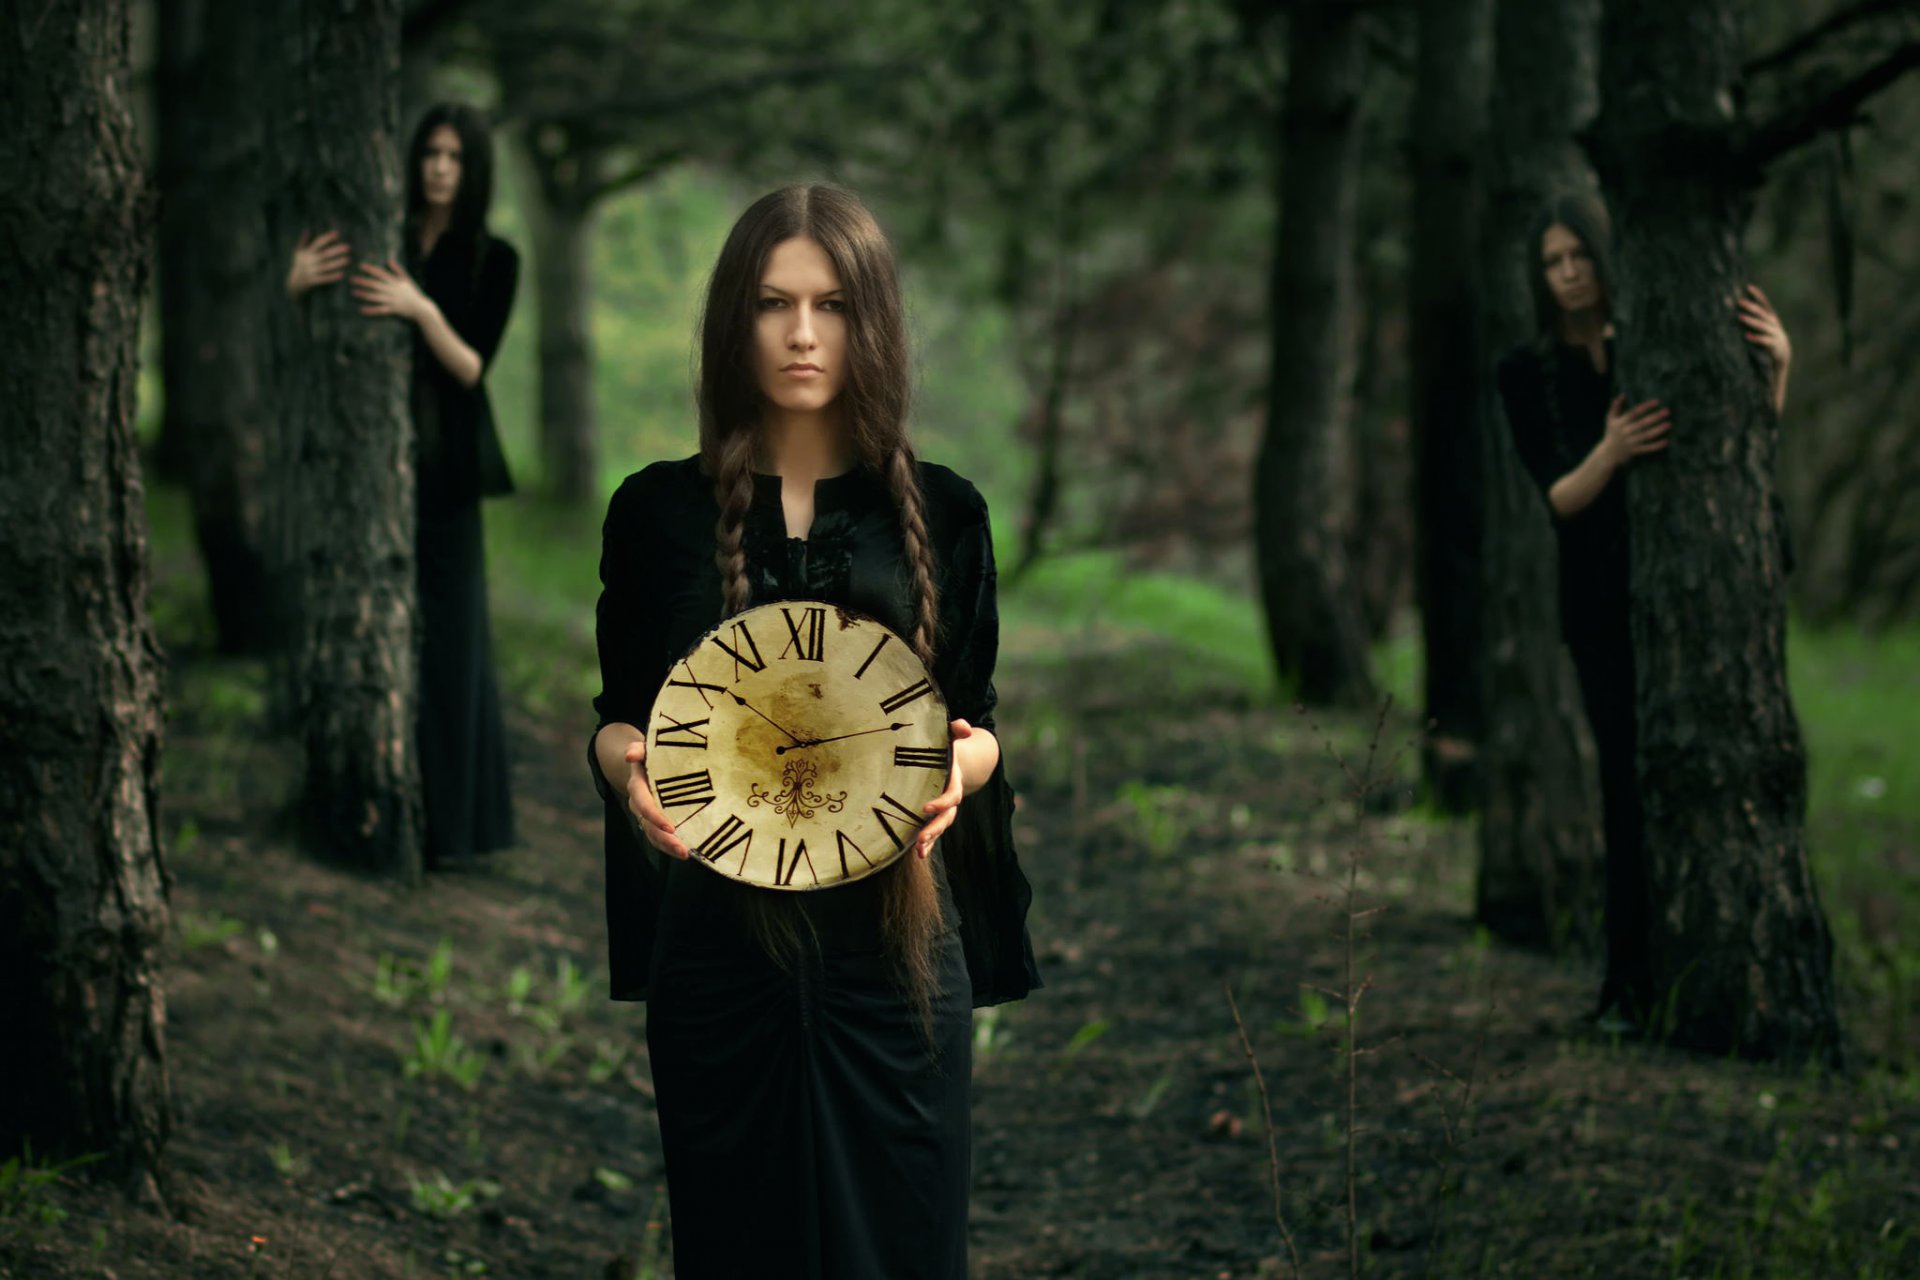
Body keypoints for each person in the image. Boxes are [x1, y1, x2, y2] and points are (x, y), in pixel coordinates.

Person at [586, 184, 1040, 1278]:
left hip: (895, 953)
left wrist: (958, 772)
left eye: (831, 304)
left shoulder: (948, 510)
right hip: (718, 953)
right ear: (731, 322)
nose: (800, 333)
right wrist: (628, 775)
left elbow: (980, 725)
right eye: (772, 303)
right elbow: (618, 719)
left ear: (870, 319)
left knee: (902, 1248)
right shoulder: (654, 512)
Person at [1495, 192, 1792, 1032]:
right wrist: (1614, 451)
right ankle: (1625, 988)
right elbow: (1557, 495)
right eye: (1551, 264)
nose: (1568, 275)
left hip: (1696, 597)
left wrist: (1777, 369)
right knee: (1626, 791)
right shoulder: (1527, 374)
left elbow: (1734, 460)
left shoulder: (1656, 345)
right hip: (1598, 606)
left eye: (1578, 256)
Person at [286, 102, 520, 872]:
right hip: (373, 475)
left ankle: (453, 830)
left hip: (447, 476)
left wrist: (422, 310)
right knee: (378, 637)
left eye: (454, 156)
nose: (440, 168)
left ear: (473, 168)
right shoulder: (378, 235)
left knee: (453, 647)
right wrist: (296, 285)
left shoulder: (494, 258)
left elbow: (472, 367)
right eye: (430, 153)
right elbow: (328, 332)